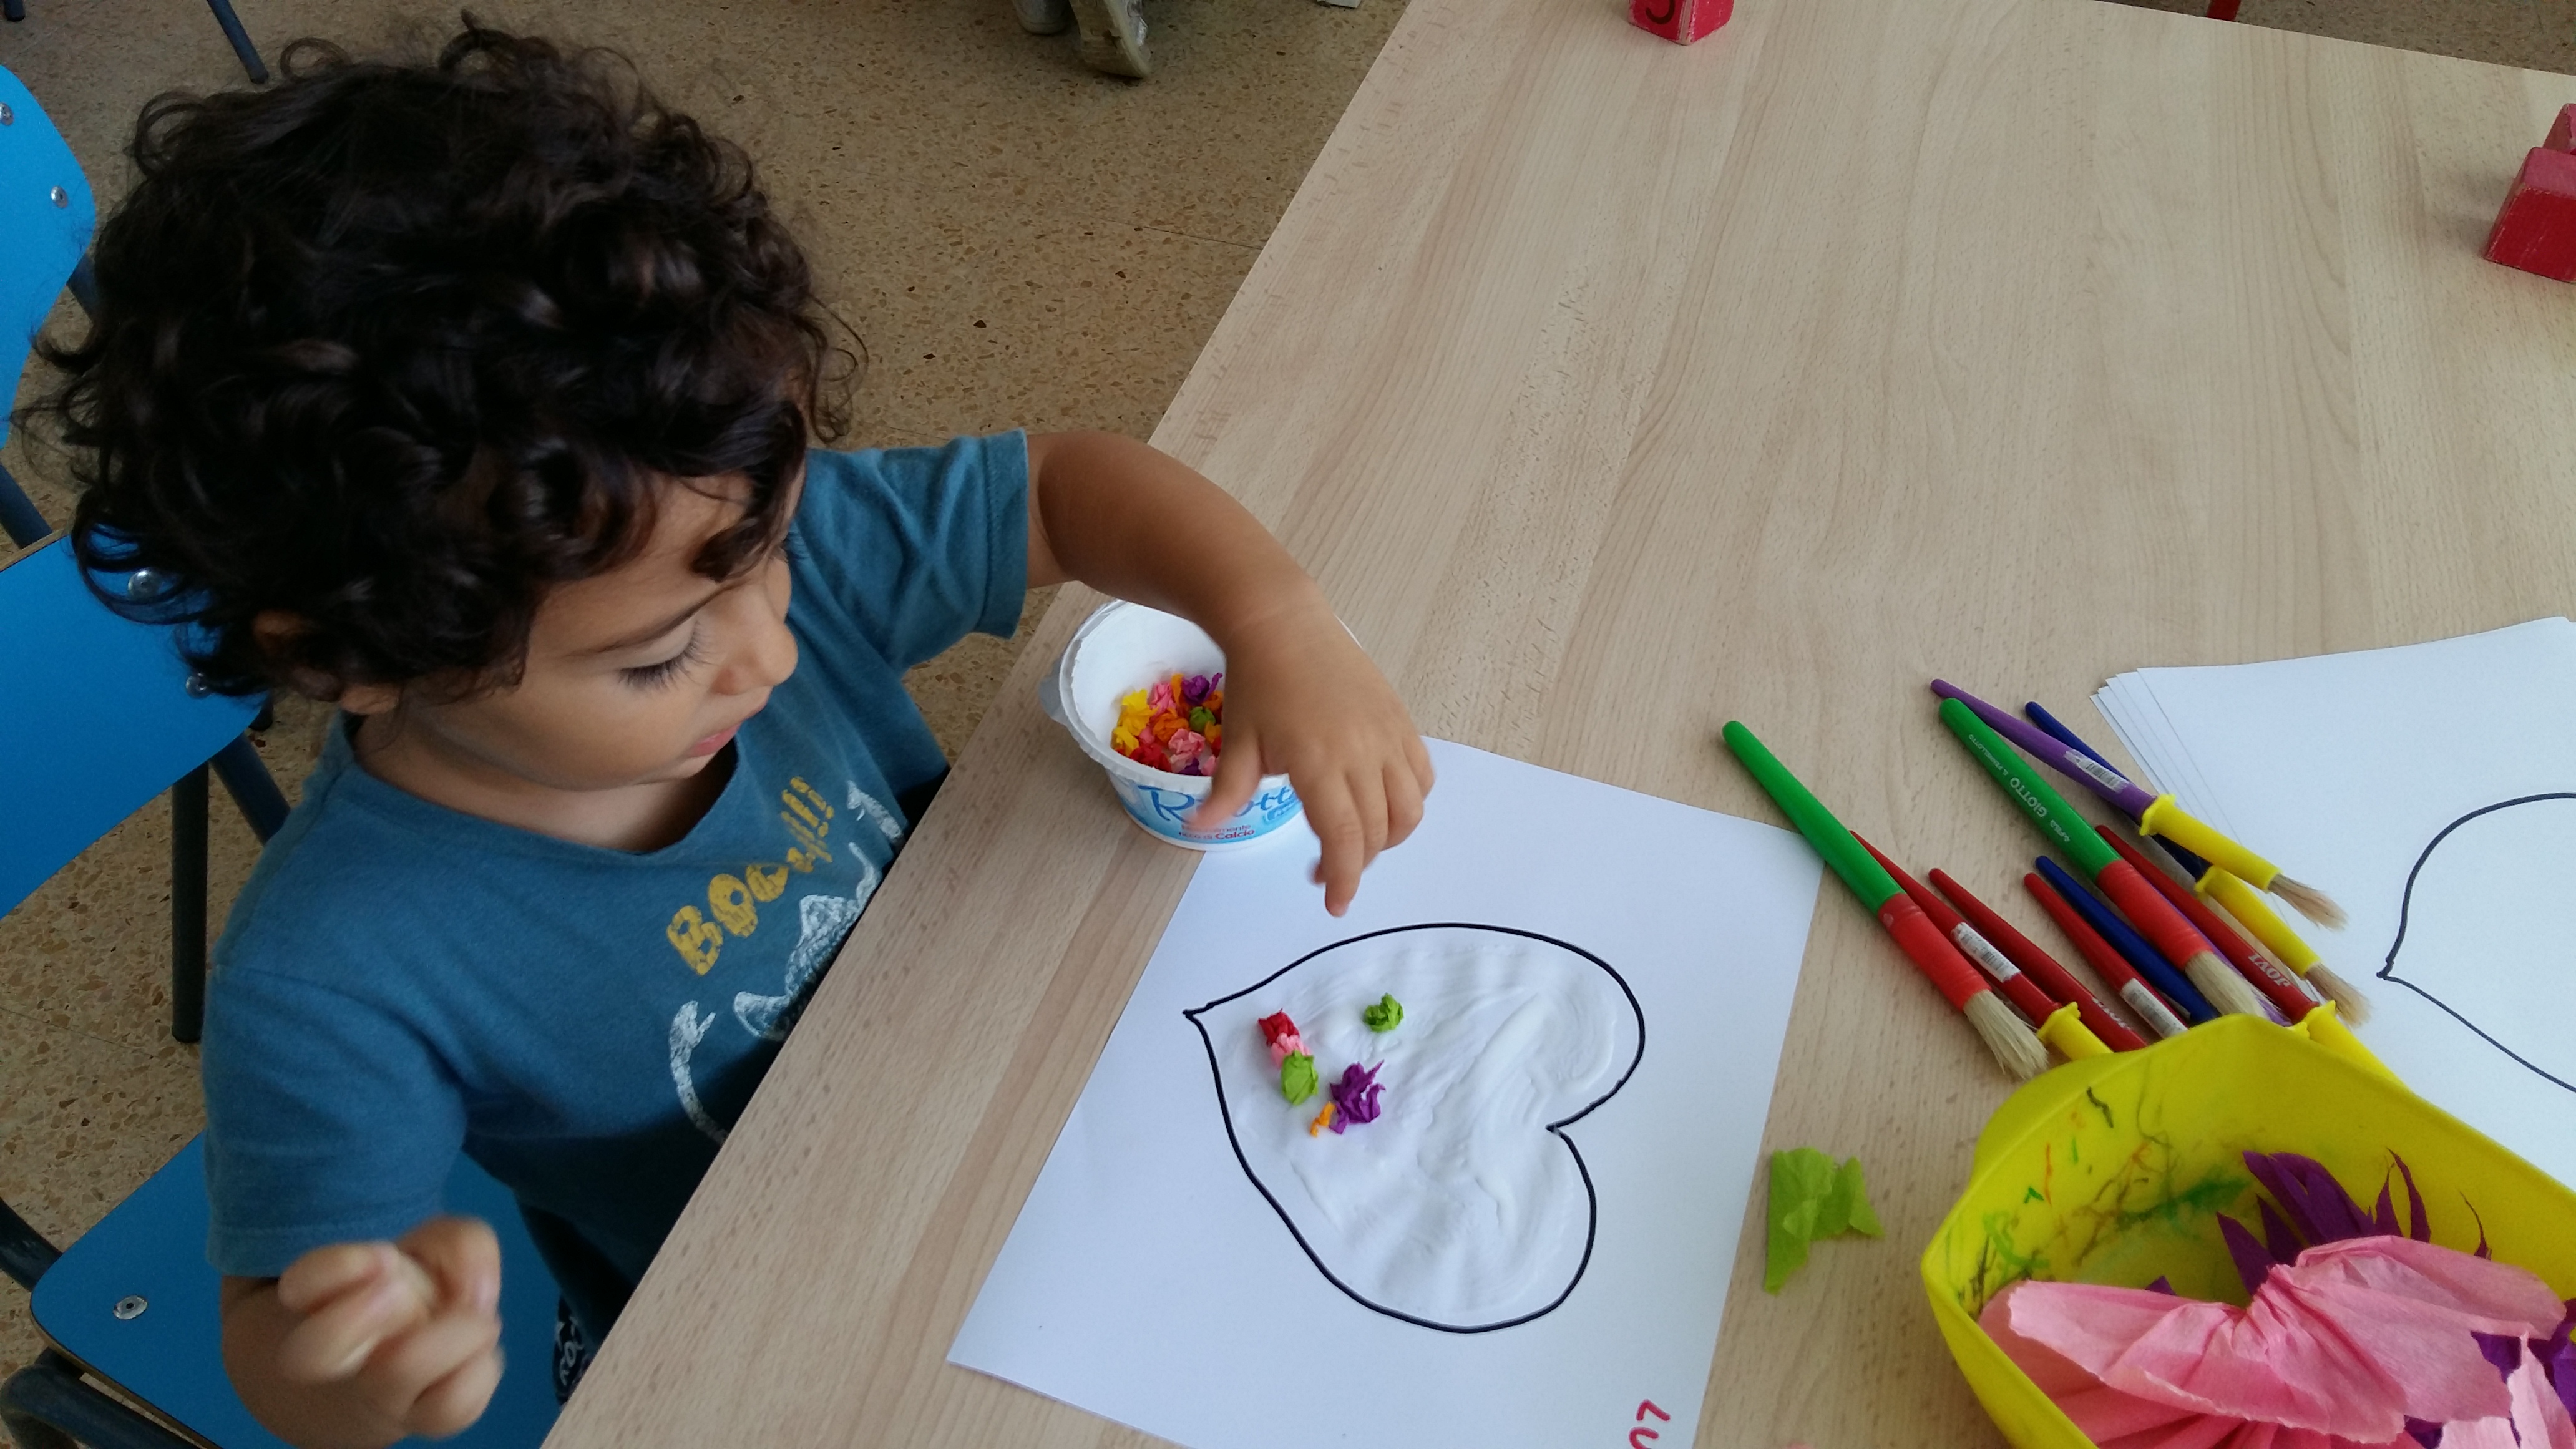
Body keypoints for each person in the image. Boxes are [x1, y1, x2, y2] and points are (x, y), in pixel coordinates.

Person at [36, 25, 1429, 1448]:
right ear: (354, 658)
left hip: (1005, 1101)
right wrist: (363, 1365)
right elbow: (278, 1340)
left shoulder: (704, 539)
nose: (770, 644)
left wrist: (1276, 616)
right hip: (761, 1317)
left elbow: (1061, 491)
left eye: (769, 555)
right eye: (660, 658)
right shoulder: (334, 979)